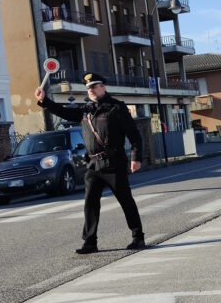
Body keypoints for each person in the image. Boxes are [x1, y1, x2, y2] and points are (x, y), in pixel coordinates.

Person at [34, 73, 145, 254]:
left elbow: (134, 135)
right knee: (90, 203)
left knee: (125, 201)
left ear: (103, 87)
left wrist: (136, 158)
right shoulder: (86, 109)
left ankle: (138, 237)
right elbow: (64, 112)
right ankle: (90, 242)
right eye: (88, 87)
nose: (91, 90)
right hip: (93, 165)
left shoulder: (117, 108)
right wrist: (44, 100)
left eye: (94, 86)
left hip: (114, 163)